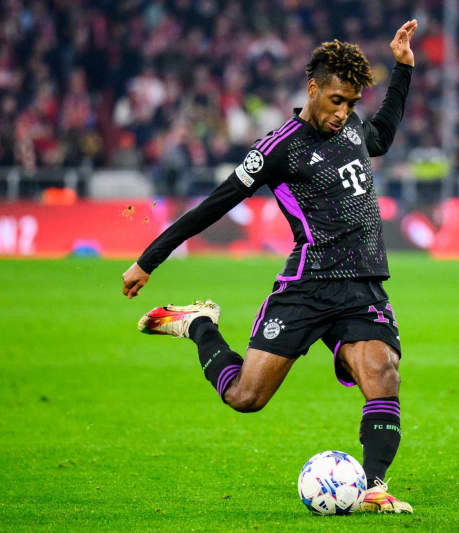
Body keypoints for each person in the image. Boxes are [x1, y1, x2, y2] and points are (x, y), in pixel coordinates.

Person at [121, 20, 418, 514]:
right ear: (313, 89)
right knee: (245, 396)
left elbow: (381, 136)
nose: (343, 113)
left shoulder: (352, 128)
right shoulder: (277, 148)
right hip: (307, 286)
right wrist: (148, 260)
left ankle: (374, 486)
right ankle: (198, 325)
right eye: (336, 100)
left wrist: (403, 70)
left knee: (382, 372)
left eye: (351, 103)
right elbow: (214, 204)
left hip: (362, 286)